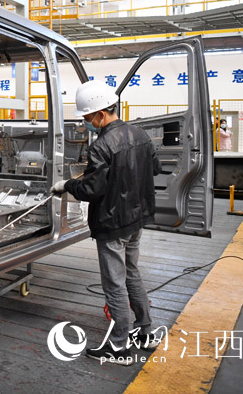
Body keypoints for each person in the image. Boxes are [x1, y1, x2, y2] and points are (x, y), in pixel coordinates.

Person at [51, 80, 162, 365]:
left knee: (115, 284)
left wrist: (66, 185)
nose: (87, 123)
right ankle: (145, 333)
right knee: (132, 274)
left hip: (112, 224)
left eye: (88, 118)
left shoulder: (101, 146)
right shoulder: (141, 134)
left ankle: (119, 348)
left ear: (101, 114)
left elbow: (92, 190)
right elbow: (155, 168)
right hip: (136, 219)